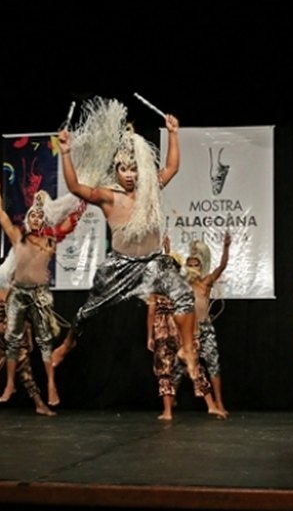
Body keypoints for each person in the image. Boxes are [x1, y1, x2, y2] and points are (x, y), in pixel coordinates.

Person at [50, 97, 202, 381]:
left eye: (134, 169)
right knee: (86, 312)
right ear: (116, 171)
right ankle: (68, 343)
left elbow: (172, 168)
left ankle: (188, 350)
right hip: (121, 263)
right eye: (124, 169)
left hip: (154, 260)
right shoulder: (109, 197)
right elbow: (74, 186)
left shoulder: (150, 189)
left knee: (184, 297)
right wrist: (66, 152)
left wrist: (172, 134)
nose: (130, 175)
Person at [0, 167, 85, 407]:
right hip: (19, 293)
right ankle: (9, 383)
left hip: (38, 293)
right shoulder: (18, 239)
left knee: (43, 342)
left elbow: (70, 221)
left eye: (40, 216)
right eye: (33, 215)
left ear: (43, 221)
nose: (36, 218)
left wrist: (83, 199)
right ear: (28, 220)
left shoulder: (49, 241)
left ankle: (51, 385)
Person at [146, 253, 226, 420]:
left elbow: (189, 311)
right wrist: (150, 337)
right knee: (167, 370)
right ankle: (169, 411)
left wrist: (192, 335)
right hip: (165, 331)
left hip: (176, 330)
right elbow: (151, 312)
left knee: (189, 366)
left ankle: (211, 406)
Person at [0, 287, 55, 416]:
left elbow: (27, 319)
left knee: (25, 372)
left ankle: (39, 405)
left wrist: (29, 339)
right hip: (0, 337)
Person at [180, 232, 231, 414]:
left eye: (196, 264)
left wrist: (226, 248)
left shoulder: (206, 282)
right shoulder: (183, 284)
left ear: (201, 266)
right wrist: (167, 250)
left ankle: (219, 403)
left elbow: (222, 266)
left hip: (205, 328)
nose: (193, 267)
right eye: (190, 264)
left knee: (213, 364)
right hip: (187, 331)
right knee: (179, 365)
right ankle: (170, 402)